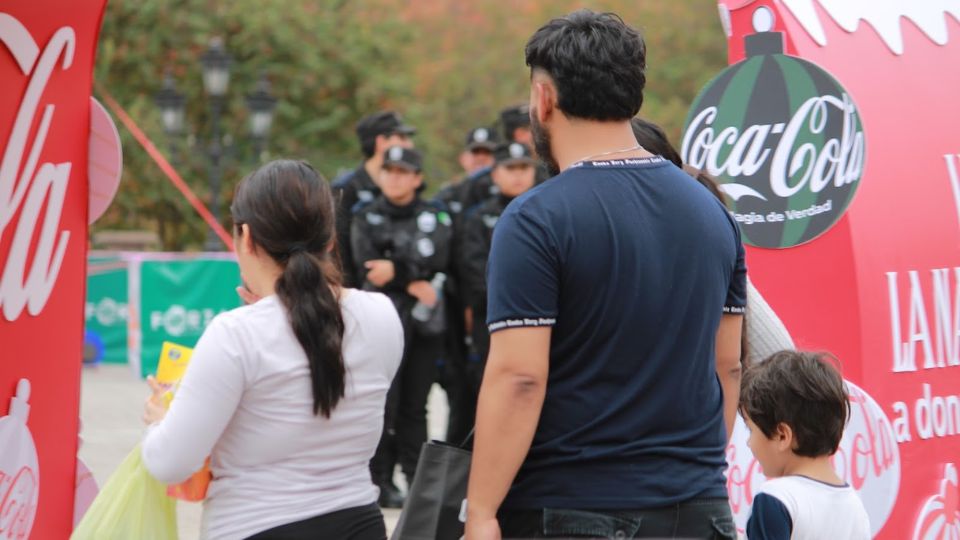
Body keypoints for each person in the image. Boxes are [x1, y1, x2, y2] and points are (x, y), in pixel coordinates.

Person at [464, 10, 745, 540]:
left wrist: (479, 510)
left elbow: (520, 377)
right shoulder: (712, 212)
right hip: (700, 505)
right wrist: (697, 474)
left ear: (544, 99)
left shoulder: (535, 219)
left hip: (575, 506)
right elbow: (727, 366)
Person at [140, 160, 404, 540]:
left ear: (246, 237)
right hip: (359, 523)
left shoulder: (235, 334)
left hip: (255, 526)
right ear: (330, 239)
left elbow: (169, 463)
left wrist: (158, 422)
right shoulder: (381, 315)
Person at [351, 146, 453, 507]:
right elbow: (368, 268)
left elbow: (439, 258)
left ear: (417, 177)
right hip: (378, 324)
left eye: (403, 171)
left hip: (424, 326)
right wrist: (410, 277)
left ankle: (416, 482)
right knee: (381, 402)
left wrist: (394, 269)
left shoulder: (435, 216)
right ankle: (378, 482)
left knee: (415, 405)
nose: (394, 178)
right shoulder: (365, 215)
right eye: (389, 170)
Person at [740, 351, 871, 539]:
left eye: (751, 430)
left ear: (782, 435)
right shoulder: (855, 507)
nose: (749, 442)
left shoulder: (776, 498)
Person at [459, 142, 537, 395]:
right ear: (495, 174)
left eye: (524, 167)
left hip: (543, 315)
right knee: (495, 387)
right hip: (493, 316)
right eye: (510, 168)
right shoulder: (479, 217)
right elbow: (474, 268)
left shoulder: (548, 210)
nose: (518, 174)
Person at [332, 111, 416, 288]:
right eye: (402, 137)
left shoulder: (405, 188)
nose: (409, 144)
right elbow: (337, 254)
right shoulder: (345, 190)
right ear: (381, 142)